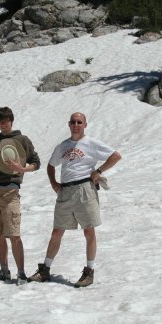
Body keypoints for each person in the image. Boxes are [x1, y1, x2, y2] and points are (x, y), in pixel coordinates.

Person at [28, 112, 121, 288]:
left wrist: (98, 171)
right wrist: (54, 183)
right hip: (66, 190)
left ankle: (89, 271)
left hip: (85, 188)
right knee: (57, 231)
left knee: (88, 231)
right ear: (68, 124)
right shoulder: (63, 146)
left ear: (85, 125)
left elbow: (115, 156)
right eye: (73, 122)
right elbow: (50, 165)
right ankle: (45, 268)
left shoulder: (91, 143)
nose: (76, 125)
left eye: (79, 122)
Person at [0, 106, 41, 285]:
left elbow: (36, 162)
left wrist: (23, 169)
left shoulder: (22, 139)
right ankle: (4, 270)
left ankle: (21, 273)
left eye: (6, 120)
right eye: (0, 121)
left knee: (14, 234)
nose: (3, 123)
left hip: (10, 191)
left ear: (11, 120)